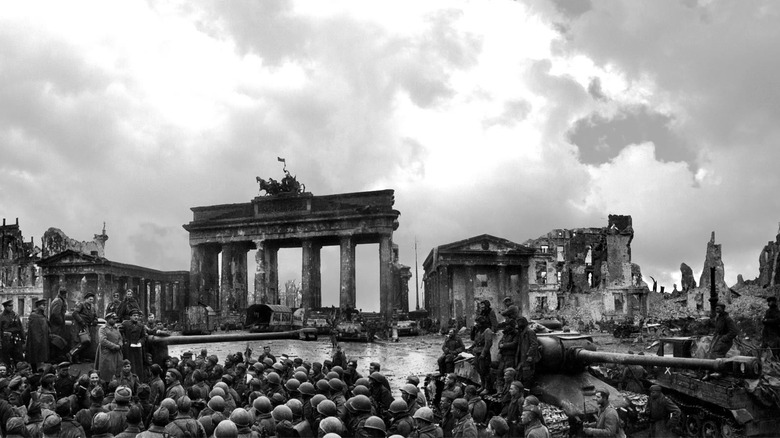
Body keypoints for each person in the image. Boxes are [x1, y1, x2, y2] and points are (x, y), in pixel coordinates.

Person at [71, 292, 99, 363]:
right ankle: (73, 354)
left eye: (92, 300)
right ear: (86, 299)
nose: (91, 301)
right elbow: (75, 313)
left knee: (86, 342)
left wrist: (95, 321)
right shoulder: (81, 305)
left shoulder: (92, 307)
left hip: (89, 326)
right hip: (81, 326)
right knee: (83, 341)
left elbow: (95, 316)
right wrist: (81, 321)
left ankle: (81, 357)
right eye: (90, 299)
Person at [96, 312, 123, 382]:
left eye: (115, 319)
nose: (115, 320)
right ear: (108, 319)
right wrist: (114, 346)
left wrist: (120, 345)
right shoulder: (103, 329)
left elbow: (120, 338)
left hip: (117, 353)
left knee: (118, 369)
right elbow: (102, 340)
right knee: (107, 370)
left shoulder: (116, 328)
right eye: (113, 319)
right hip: (107, 352)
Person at [121, 309, 147, 378]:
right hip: (128, 348)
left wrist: (140, 342)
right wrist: (125, 341)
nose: (136, 317)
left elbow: (144, 336)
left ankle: (138, 380)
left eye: (137, 316)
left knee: (138, 365)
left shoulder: (141, 325)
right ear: (130, 317)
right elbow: (120, 333)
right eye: (134, 315)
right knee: (129, 363)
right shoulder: (125, 324)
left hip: (138, 348)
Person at [26, 298, 50, 370]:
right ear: (38, 306)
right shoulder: (34, 315)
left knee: (42, 356)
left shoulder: (43, 315)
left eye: (45, 305)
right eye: (43, 305)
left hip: (43, 339)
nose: (44, 307)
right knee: (36, 356)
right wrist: (38, 339)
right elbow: (33, 330)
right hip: (36, 340)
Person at [0, 300, 25, 368]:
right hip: (6, 340)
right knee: (6, 359)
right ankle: (7, 372)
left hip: (16, 339)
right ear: (5, 307)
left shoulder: (15, 315)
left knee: (18, 357)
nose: (11, 307)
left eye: (12, 306)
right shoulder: (1, 317)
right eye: (9, 306)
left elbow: (20, 327)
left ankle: (19, 370)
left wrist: (23, 338)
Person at [516, 317, 539, 388]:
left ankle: (526, 392)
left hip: (527, 358)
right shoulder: (522, 332)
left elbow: (534, 344)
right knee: (521, 375)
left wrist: (530, 355)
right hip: (522, 357)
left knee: (527, 376)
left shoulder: (529, 332)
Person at [50, 288, 70, 361]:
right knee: (56, 341)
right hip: (56, 326)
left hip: (57, 325)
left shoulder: (59, 300)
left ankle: (56, 357)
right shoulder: (58, 301)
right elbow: (55, 314)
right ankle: (55, 358)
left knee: (58, 341)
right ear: (65, 294)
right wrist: (61, 322)